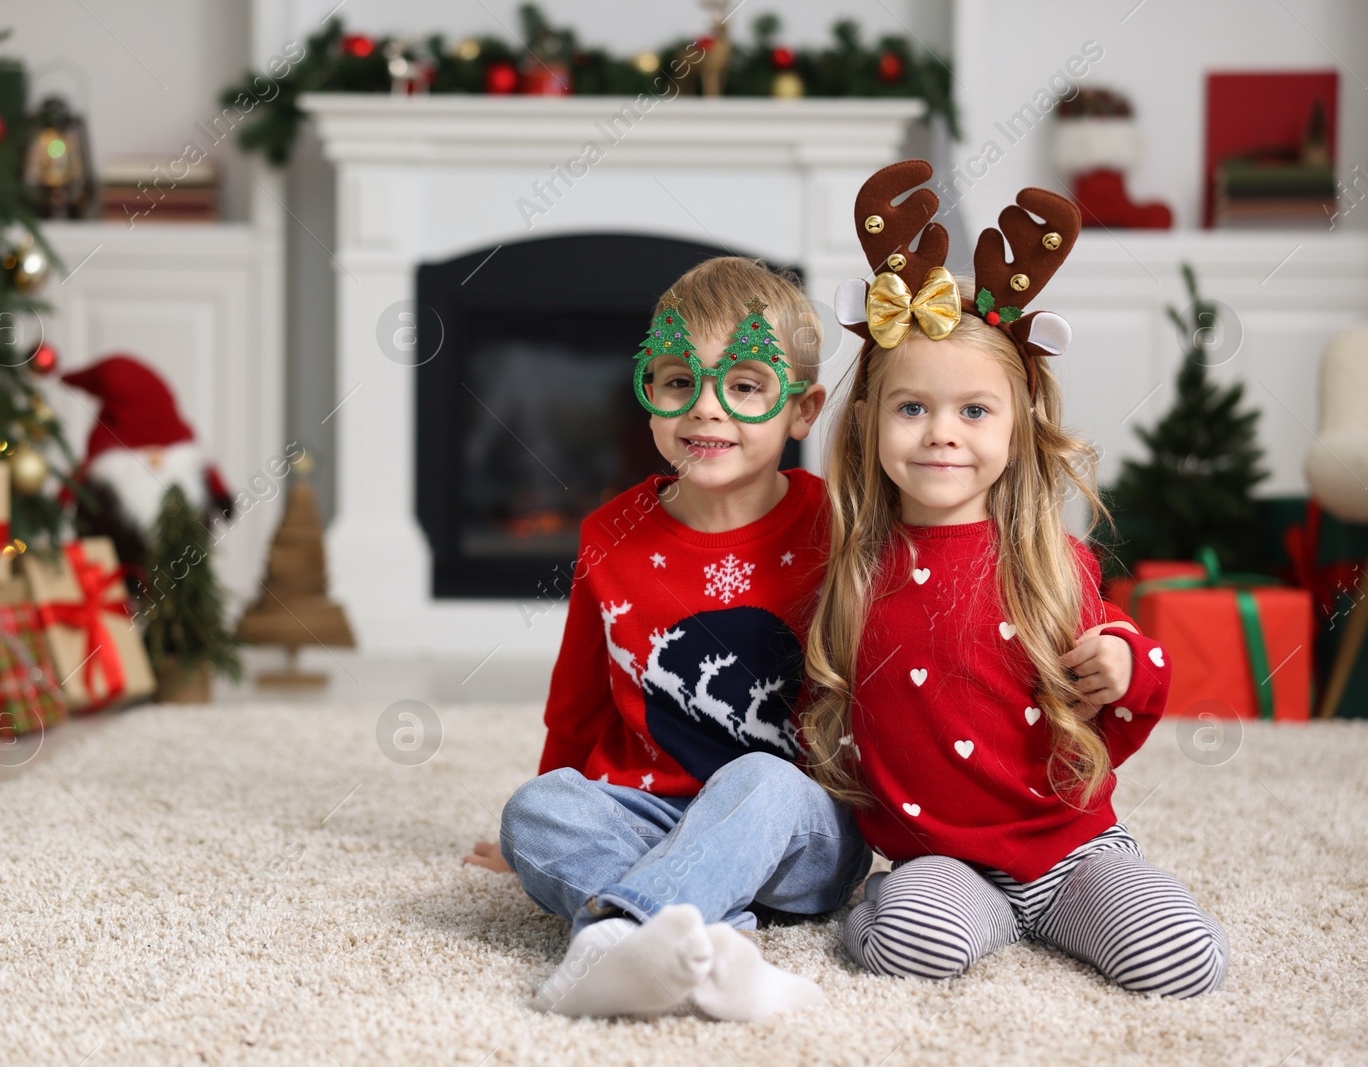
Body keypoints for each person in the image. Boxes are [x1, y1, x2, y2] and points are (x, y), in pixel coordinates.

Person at [800, 160, 1228, 998]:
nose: (940, 434)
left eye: (973, 410)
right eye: (912, 407)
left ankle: (1079, 908)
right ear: (871, 420)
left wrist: (1125, 664)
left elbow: (1124, 674)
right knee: (909, 947)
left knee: (1183, 959)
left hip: (1070, 847)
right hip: (940, 859)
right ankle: (912, 911)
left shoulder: (1046, 559)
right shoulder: (853, 566)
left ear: (1019, 426)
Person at [465, 256, 872, 1021]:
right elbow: (578, 701)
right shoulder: (609, 533)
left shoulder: (840, 529)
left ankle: (614, 935)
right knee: (536, 810)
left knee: (765, 777)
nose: (707, 409)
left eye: (746, 386)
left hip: (795, 828)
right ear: (649, 395)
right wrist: (530, 835)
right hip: (648, 814)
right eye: (679, 381)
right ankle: (714, 948)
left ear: (803, 409)